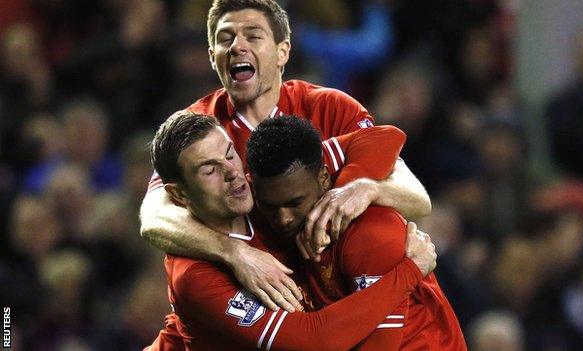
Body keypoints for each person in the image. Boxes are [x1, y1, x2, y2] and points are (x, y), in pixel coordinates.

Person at [140, 0, 432, 312]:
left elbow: (417, 200)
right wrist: (234, 253)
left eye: (253, 36)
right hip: (264, 304)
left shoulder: (331, 107)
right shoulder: (199, 128)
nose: (237, 46)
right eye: (225, 39)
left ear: (283, 51)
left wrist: (369, 189)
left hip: (340, 293)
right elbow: (154, 218)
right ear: (213, 57)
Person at [146, 112, 437, 350]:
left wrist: (350, 192)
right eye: (209, 170)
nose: (231, 172)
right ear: (180, 196)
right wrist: (410, 271)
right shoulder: (196, 275)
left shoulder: (263, 195)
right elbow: (314, 338)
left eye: (230, 155)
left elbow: (383, 136)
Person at [247, 116, 467, 350]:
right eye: (269, 206)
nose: (283, 219)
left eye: (295, 203)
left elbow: (388, 134)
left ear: (323, 178)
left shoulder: (370, 233)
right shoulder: (268, 221)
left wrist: (344, 201)